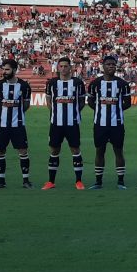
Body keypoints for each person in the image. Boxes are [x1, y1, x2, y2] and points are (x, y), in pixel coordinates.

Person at [87, 55, 131, 190]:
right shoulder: (95, 84)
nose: (111, 66)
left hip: (117, 124)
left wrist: (116, 110)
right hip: (100, 124)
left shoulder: (123, 84)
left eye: (113, 64)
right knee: (99, 151)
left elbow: (127, 103)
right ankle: (98, 182)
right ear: (103, 66)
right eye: (108, 64)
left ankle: (121, 182)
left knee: (118, 151)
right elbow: (91, 101)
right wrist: (100, 109)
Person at [42, 57, 86, 190]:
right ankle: (51, 181)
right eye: (61, 66)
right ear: (57, 68)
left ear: (70, 68)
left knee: (75, 149)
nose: (63, 68)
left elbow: (81, 102)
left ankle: (78, 181)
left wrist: (74, 112)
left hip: (72, 123)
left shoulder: (78, 83)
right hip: (56, 123)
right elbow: (49, 101)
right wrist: (56, 113)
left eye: (66, 66)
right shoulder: (52, 83)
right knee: (54, 150)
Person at [0, 59, 32, 188]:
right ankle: (1, 181)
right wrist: (3, 112)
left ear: (14, 70)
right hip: (1, 124)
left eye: (7, 69)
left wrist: (16, 113)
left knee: (23, 151)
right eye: (3, 69)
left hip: (18, 124)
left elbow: (26, 105)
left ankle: (26, 181)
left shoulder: (24, 86)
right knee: (0, 151)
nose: (4, 72)